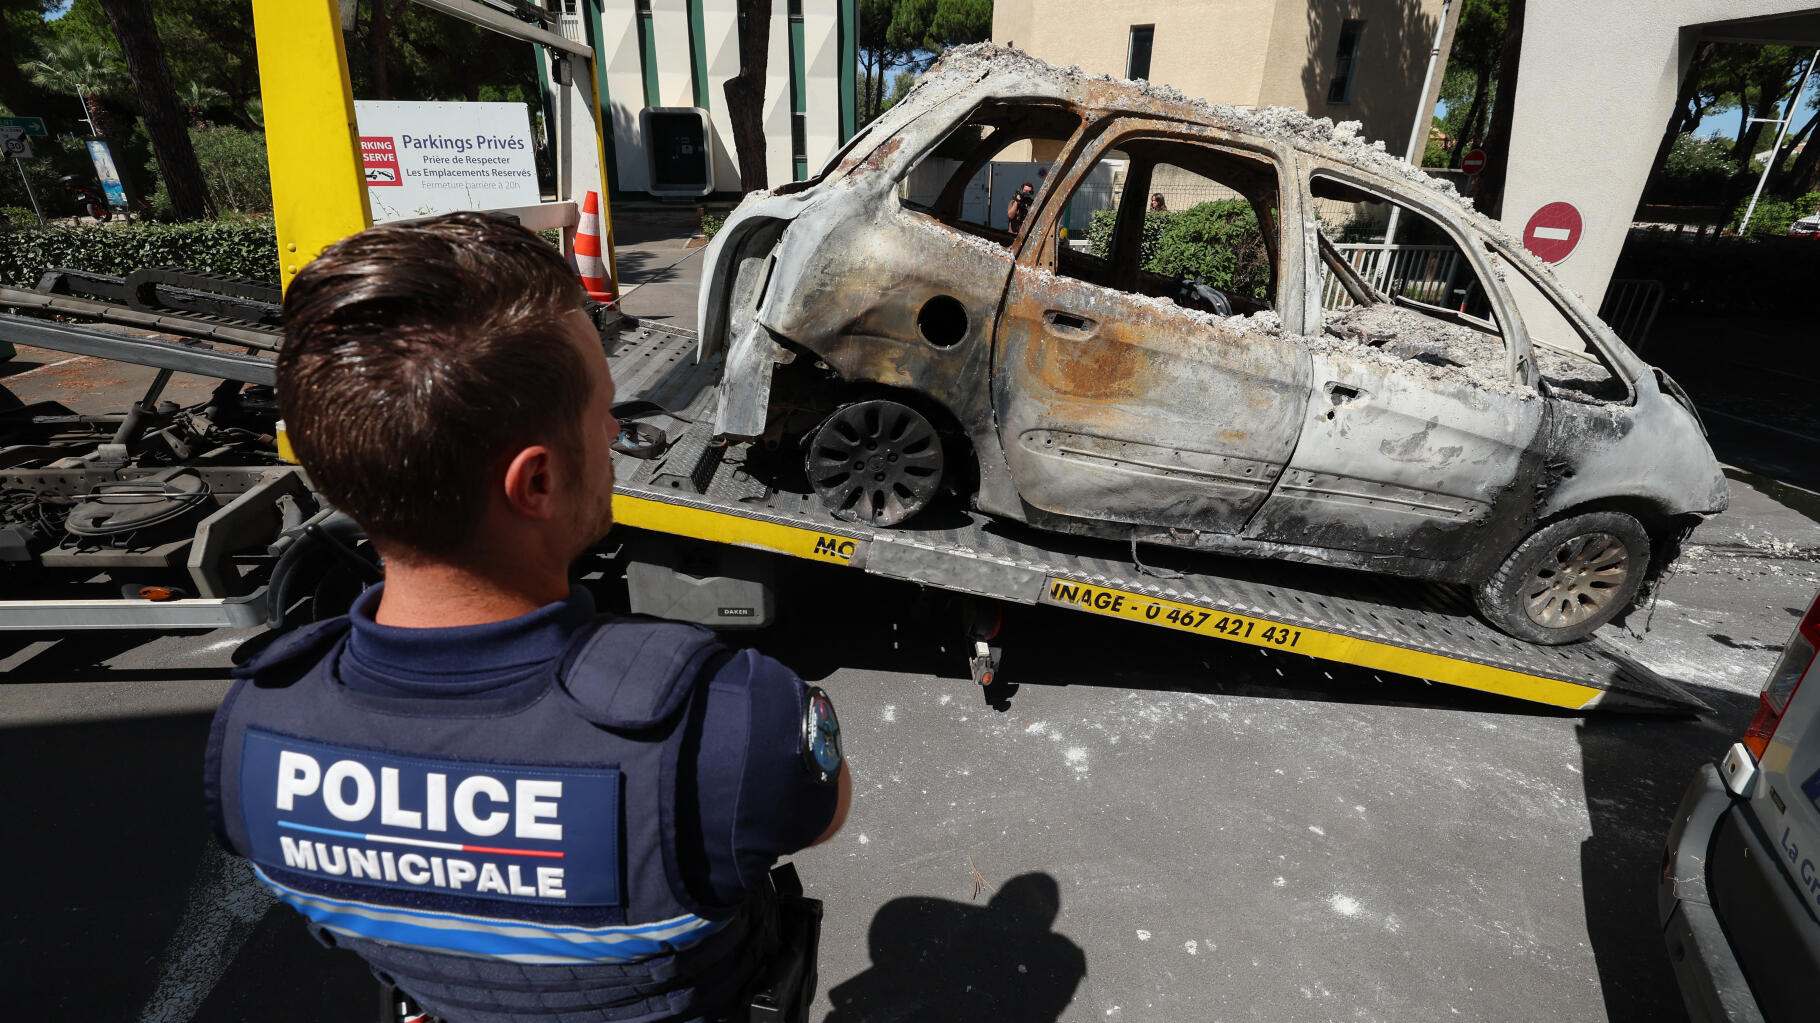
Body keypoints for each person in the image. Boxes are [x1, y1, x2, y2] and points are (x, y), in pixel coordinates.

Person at [204, 212, 851, 1022]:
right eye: (601, 414)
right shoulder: (723, 720)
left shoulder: (253, 734)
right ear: (536, 483)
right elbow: (822, 814)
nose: (614, 432)